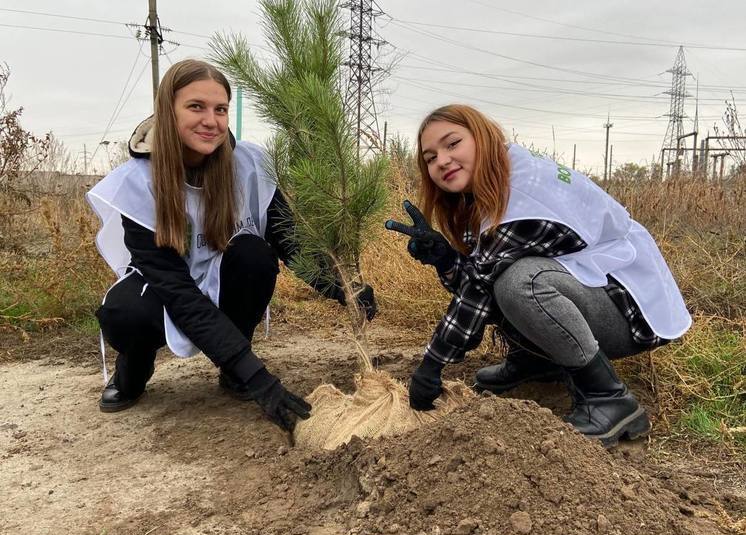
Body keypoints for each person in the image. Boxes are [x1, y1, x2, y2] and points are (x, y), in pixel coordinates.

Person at [87, 59, 376, 431]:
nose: (211, 121)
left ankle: (231, 371)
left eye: (220, 109)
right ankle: (135, 367)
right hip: (163, 291)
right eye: (196, 107)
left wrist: (344, 289)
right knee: (125, 314)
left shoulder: (247, 165)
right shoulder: (139, 183)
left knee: (255, 256)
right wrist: (259, 377)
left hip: (224, 275)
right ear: (167, 110)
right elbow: (180, 294)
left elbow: (290, 242)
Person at [386, 104, 691, 447]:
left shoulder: (523, 195)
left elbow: (478, 288)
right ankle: (536, 360)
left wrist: (432, 365)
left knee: (522, 283)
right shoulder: (491, 187)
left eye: (452, 143)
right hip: (590, 295)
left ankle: (607, 397)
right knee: (507, 278)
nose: (441, 160)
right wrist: (445, 258)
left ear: (483, 139)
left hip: (630, 312)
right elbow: (479, 283)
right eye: (430, 157)